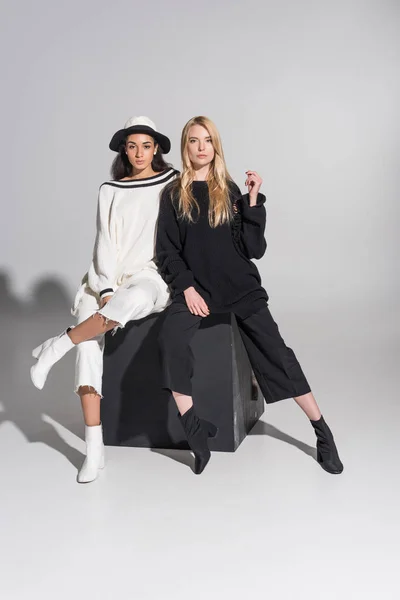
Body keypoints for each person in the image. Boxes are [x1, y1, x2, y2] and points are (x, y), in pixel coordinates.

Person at [155, 115, 343, 475]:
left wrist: (253, 202)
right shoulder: (173, 194)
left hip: (239, 287)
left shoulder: (227, 189)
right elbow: (168, 252)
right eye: (194, 140)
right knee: (171, 340)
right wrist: (188, 288)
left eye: (207, 140)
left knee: (279, 355)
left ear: (216, 146)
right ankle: (195, 430)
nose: (200, 147)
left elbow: (253, 249)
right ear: (185, 146)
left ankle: (322, 431)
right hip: (197, 289)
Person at [31, 116, 178, 483]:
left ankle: (55, 346)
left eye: (146, 145)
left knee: (128, 305)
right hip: (105, 278)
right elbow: (105, 244)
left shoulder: (172, 182)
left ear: (157, 147)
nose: (139, 153)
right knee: (89, 347)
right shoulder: (110, 189)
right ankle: (93, 448)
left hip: (150, 276)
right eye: (132, 146)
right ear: (123, 150)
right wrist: (106, 287)